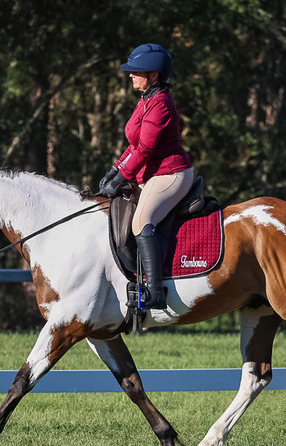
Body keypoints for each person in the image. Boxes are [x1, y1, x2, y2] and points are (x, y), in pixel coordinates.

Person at [98, 43, 193, 309]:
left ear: (153, 75)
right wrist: (116, 169)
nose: (130, 75)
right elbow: (133, 145)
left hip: (171, 174)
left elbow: (146, 148)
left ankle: (155, 292)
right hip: (150, 173)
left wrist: (122, 176)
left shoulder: (160, 103)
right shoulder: (146, 100)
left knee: (141, 222)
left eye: (136, 71)